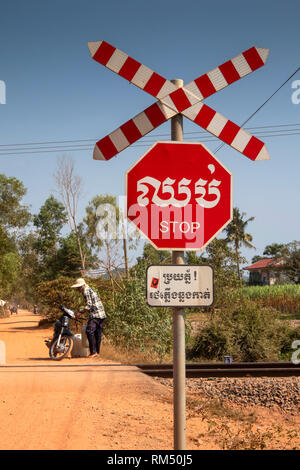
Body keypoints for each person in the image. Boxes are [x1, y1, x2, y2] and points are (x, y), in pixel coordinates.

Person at [71, 278, 106, 358]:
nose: (77, 289)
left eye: (78, 287)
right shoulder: (89, 289)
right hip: (101, 314)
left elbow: (89, 305)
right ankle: (97, 352)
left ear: (82, 286)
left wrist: (80, 313)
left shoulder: (85, 290)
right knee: (98, 334)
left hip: (95, 314)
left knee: (89, 331)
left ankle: (93, 352)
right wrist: (82, 310)